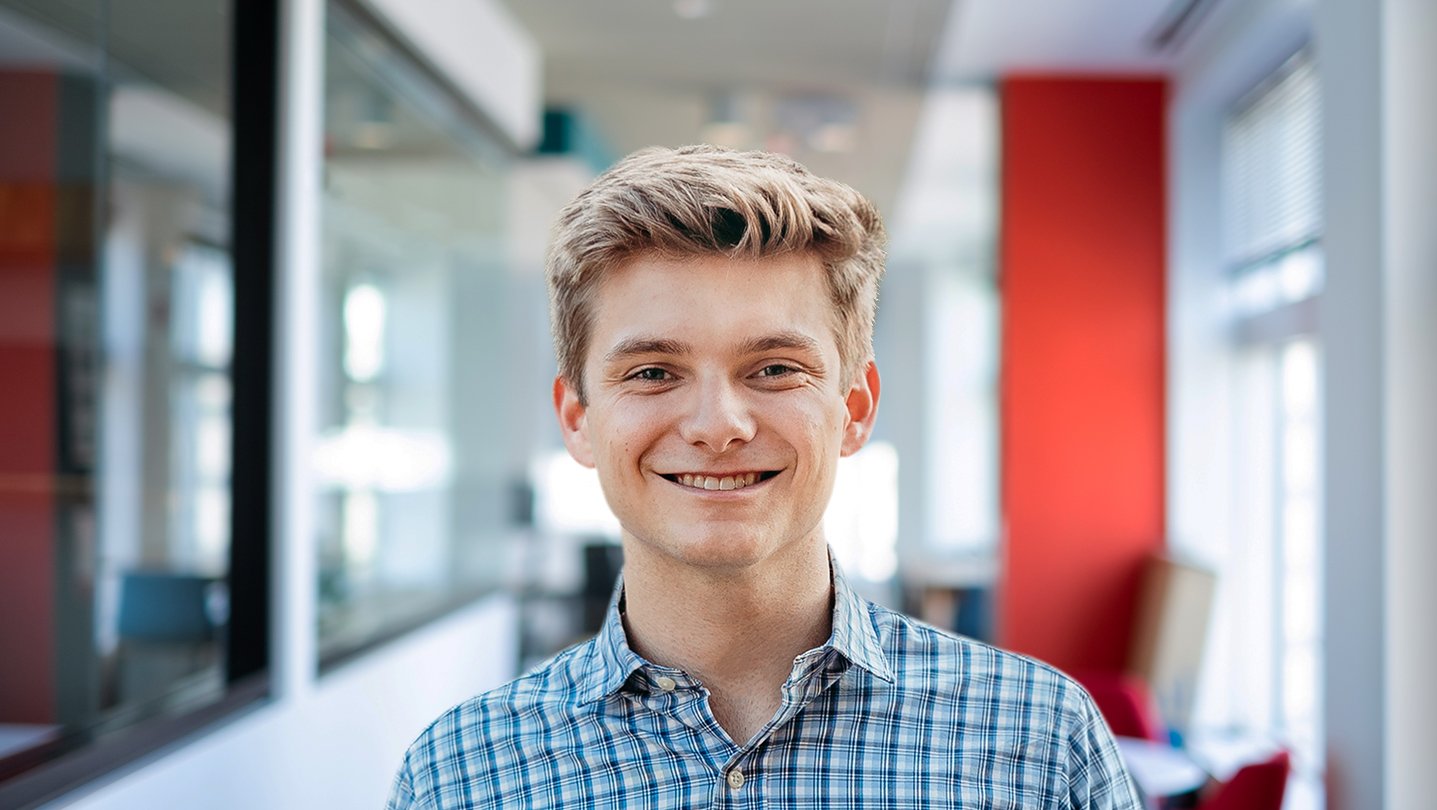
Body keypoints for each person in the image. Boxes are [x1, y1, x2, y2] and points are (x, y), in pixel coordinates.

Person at [387, 145, 1141, 808]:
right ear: (578, 419)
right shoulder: (461, 776)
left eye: (775, 369)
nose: (718, 425)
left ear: (854, 409)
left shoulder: (1040, 742)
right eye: (653, 372)